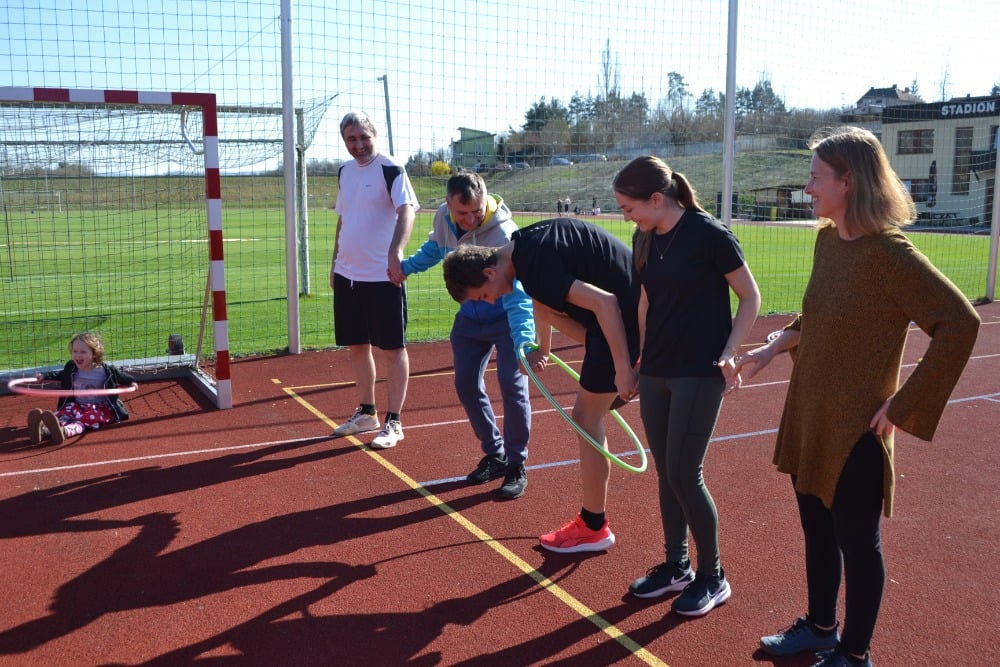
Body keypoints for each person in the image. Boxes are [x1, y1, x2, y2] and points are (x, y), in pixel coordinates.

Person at [735, 127, 980, 667]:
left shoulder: (891, 255)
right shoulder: (827, 241)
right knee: (816, 529)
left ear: (848, 181)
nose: (808, 188)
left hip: (858, 431)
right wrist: (771, 349)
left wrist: (904, 405)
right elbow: (818, 317)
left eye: (816, 177)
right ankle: (821, 628)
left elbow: (960, 323)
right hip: (810, 414)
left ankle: (854, 653)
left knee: (857, 543)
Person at [613, 156, 761, 617]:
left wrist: (730, 351)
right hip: (656, 368)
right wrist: (640, 356)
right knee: (666, 471)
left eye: (629, 208)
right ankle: (677, 566)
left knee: (684, 473)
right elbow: (645, 300)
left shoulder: (710, 234)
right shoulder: (644, 237)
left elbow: (750, 297)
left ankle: (713, 576)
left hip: (699, 370)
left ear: (657, 199)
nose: (626, 217)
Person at [443, 216, 640, 553]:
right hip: (626, 312)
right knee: (590, 405)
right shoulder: (522, 246)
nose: (490, 301)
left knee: (586, 416)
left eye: (484, 295)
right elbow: (541, 304)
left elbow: (605, 302)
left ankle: (593, 526)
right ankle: (628, 371)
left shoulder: (532, 265)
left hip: (627, 318)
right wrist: (542, 349)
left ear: (489, 273)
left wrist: (624, 369)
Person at [401, 172, 535, 499]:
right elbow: (435, 248)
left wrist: (523, 342)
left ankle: (516, 463)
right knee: (465, 384)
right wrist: (405, 268)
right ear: (448, 204)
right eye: (463, 213)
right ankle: (495, 453)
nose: (471, 219)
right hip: (470, 320)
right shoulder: (443, 218)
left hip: (505, 318)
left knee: (512, 385)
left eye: (477, 210)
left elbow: (518, 295)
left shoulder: (504, 233)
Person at [330, 111, 419, 449]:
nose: (358, 145)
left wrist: (396, 253)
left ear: (374, 135)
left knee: (392, 349)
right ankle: (367, 413)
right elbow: (344, 219)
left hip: (382, 276)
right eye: (351, 139)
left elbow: (407, 210)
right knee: (357, 346)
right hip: (348, 275)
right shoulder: (344, 171)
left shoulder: (391, 168)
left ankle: (394, 422)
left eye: (363, 137)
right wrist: (334, 264)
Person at [27, 332, 137, 445]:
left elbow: (121, 376)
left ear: (94, 354)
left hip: (98, 408)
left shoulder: (105, 370)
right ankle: (45, 430)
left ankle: (65, 431)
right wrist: (45, 376)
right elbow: (60, 374)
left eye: (83, 352)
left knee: (83, 420)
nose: (78, 355)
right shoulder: (72, 368)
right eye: (75, 351)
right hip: (78, 405)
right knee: (65, 415)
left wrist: (131, 381)